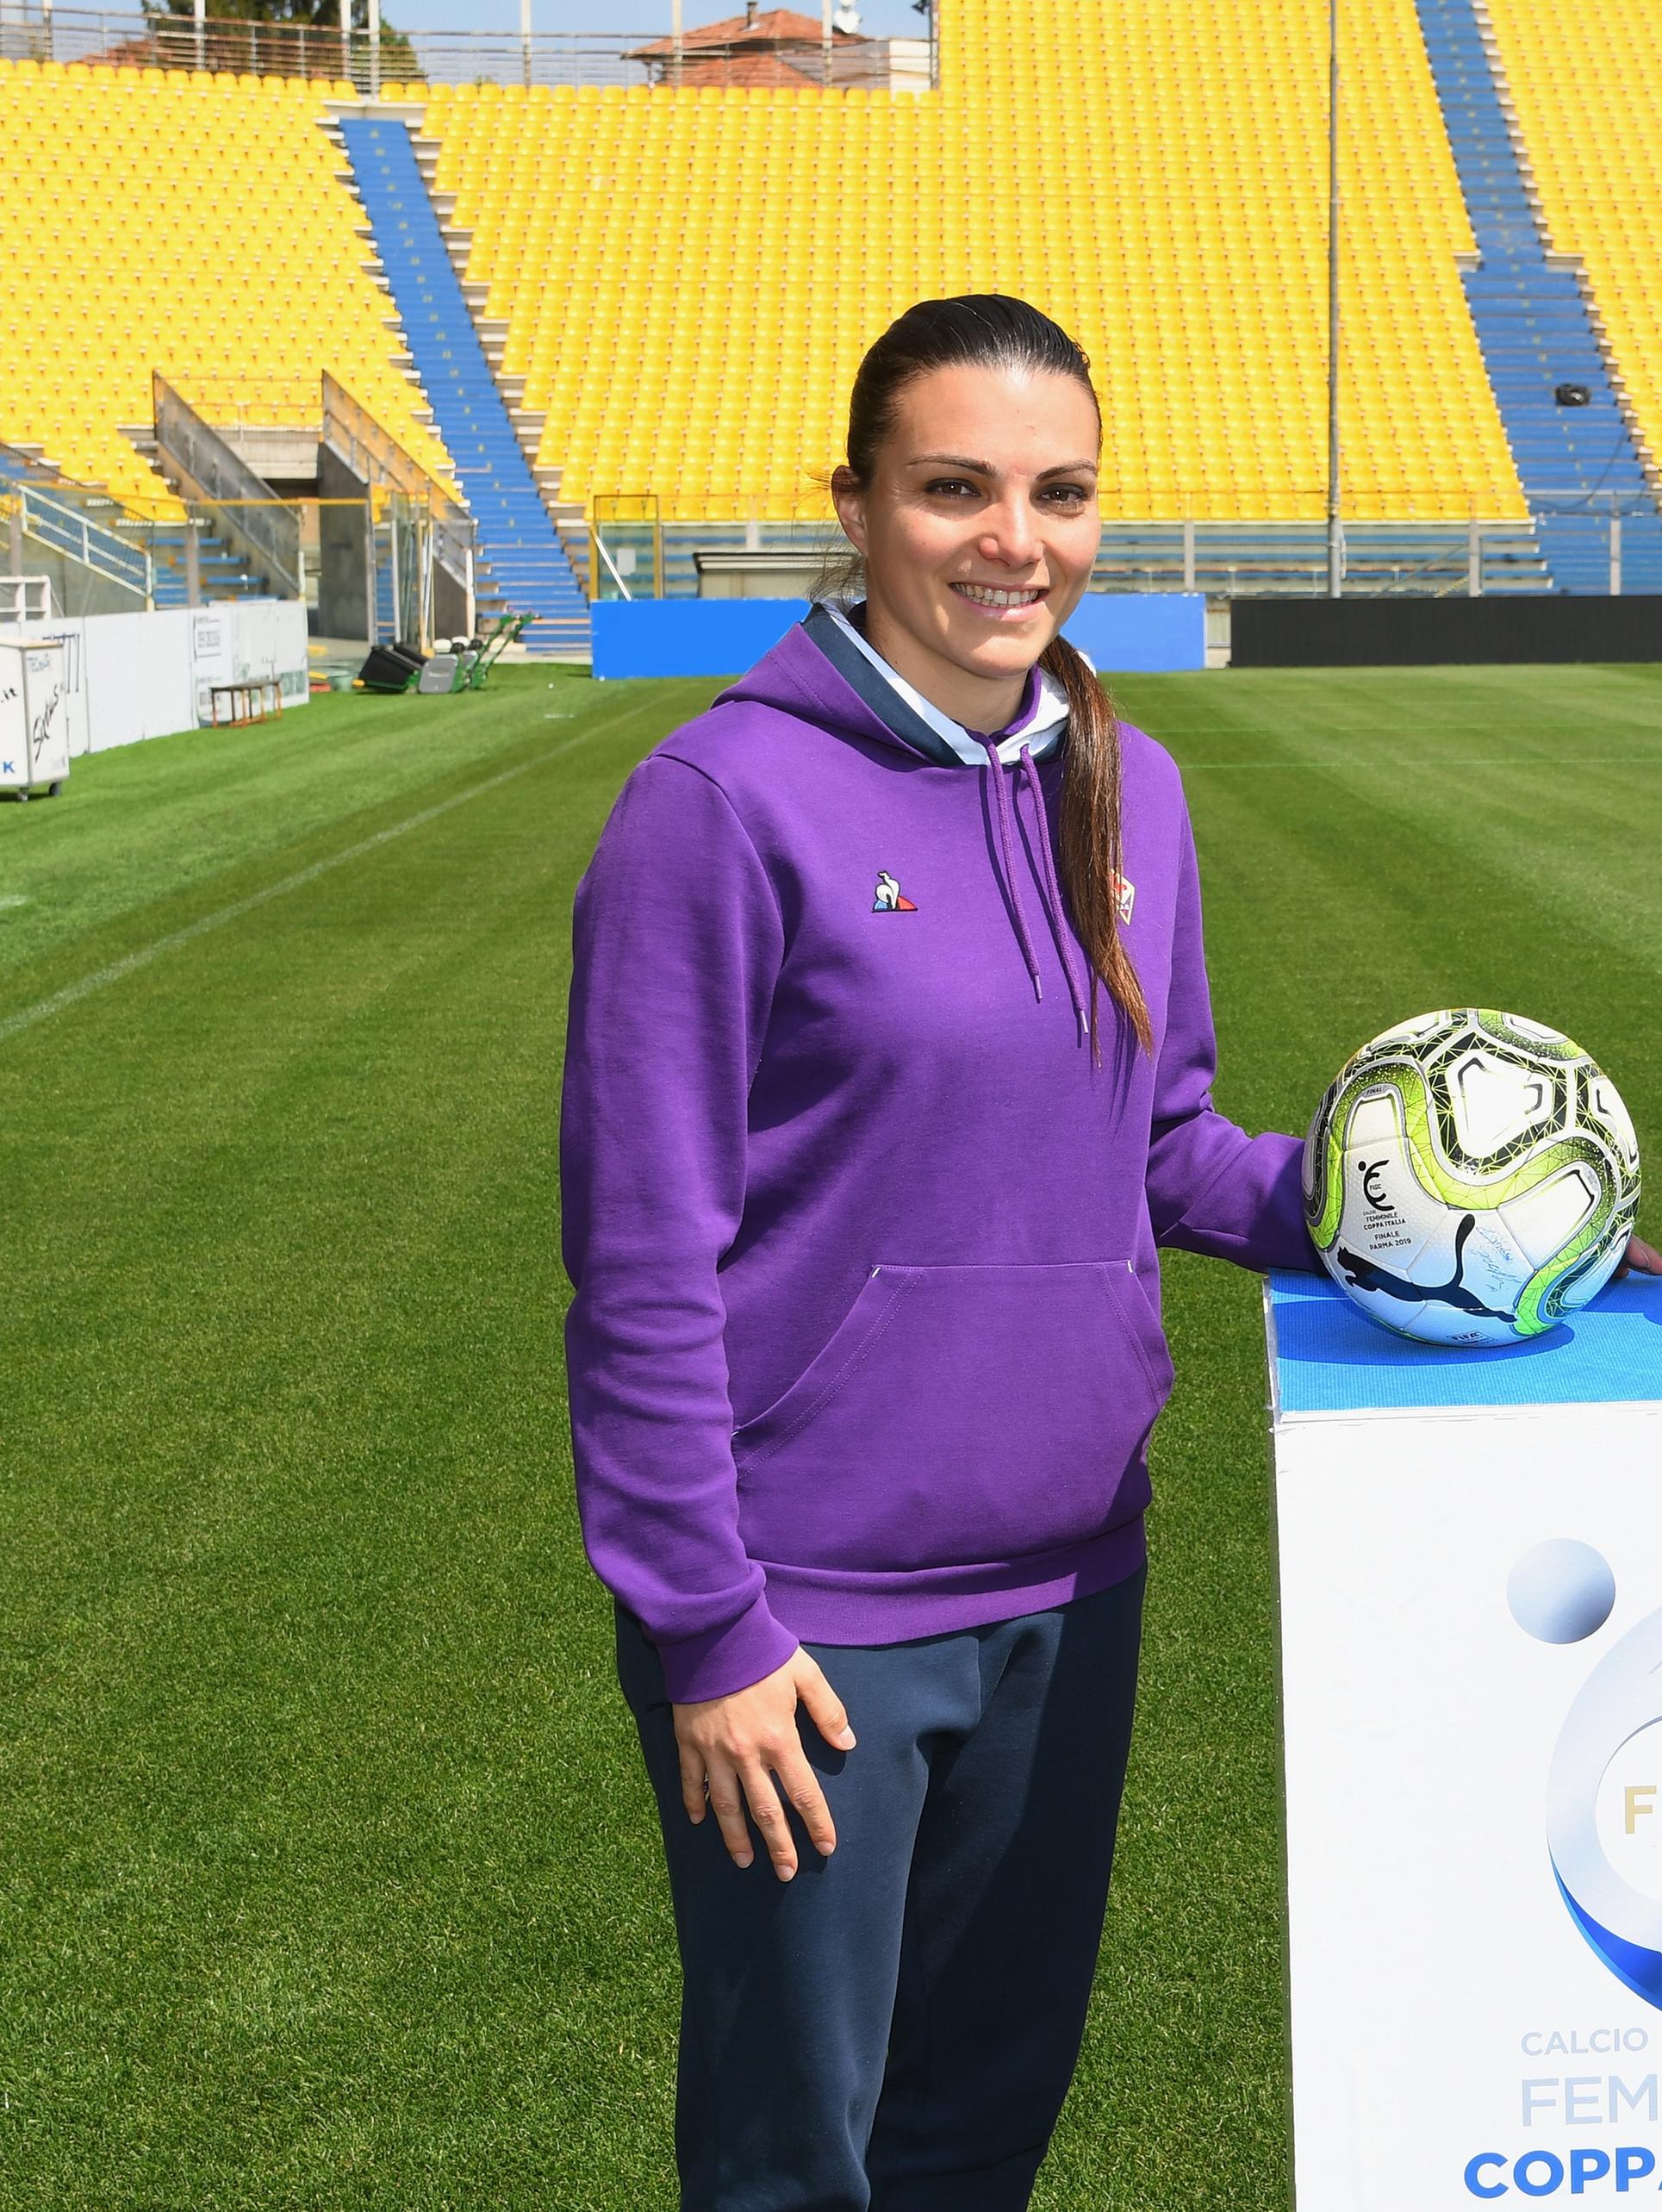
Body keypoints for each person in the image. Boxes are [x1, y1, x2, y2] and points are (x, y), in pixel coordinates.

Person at [559, 293, 1311, 2210]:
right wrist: (707, 1625)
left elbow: (1168, 1147)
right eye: (955, 488)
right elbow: (642, 1261)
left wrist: (1425, 1220)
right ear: (859, 504)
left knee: (978, 2138)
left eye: (1059, 493)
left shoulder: (1126, 787)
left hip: (1077, 1582)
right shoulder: (716, 807)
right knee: (795, 2162)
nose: (1015, 540)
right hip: (809, 1630)